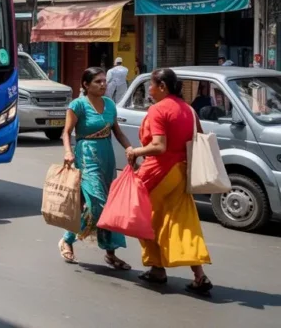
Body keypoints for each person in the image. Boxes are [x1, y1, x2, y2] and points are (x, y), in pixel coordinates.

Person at [126, 68, 212, 295]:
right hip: (182, 172)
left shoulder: (158, 110)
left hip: (158, 172)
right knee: (184, 223)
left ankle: (157, 269)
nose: (150, 91)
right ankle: (199, 275)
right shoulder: (189, 109)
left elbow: (159, 146)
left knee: (144, 219)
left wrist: (135, 151)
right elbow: (197, 137)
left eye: (151, 86)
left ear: (162, 86)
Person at [57, 67, 133, 271]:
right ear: (85, 85)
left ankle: (110, 252)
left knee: (109, 205)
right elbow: (66, 132)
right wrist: (67, 151)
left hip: (106, 156)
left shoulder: (109, 105)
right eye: (97, 81)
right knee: (97, 204)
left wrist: (130, 149)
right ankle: (67, 239)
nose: (102, 84)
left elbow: (117, 131)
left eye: (103, 81)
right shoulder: (78, 105)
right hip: (87, 154)